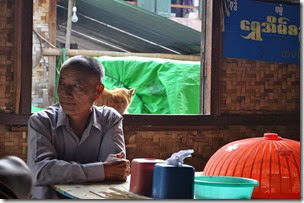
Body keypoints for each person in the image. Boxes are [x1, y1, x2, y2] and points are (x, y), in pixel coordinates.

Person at [27, 55, 130, 199]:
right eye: (62, 83)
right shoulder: (41, 121)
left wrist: (102, 171)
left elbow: (115, 171)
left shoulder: (109, 119)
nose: (65, 93)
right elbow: (40, 172)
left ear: (98, 92)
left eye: (77, 86)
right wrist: (100, 170)